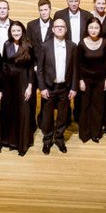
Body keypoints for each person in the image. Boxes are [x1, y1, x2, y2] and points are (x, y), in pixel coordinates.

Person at [35, 17, 75, 153]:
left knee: (63, 115)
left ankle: (59, 138)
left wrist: (74, 87)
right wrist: (42, 88)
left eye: (62, 26)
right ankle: (47, 140)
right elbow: (39, 70)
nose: (59, 28)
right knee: (47, 115)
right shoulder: (45, 46)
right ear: (52, 29)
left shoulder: (72, 46)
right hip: (49, 87)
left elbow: (75, 69)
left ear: (66, 29)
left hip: (65, 87)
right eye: (57, 26)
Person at [0, 21, 36, 156]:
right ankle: (10, 141)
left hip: (23, 81)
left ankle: (22, 142)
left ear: (22, 31)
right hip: (9, 83)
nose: (16, 33)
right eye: (13, 31)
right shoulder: (6, 44)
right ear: (10, 32)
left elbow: (31, 67)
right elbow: (4, 62)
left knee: (23, 111)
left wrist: (30, 86)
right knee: (9, 111)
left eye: (18, 31)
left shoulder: (28, 45)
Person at [76, 17, 106, 143]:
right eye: (91, 27)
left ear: (100, 29)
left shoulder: (104, 42)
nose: (93, 30)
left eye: (96, 27)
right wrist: (80, 80)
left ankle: (96, 133)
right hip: (86, 79)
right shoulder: (82, 43)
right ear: (87, 28)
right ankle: (85, 133)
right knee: (85, 106)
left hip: (100, 79)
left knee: (98, 106)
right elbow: (78, 64)